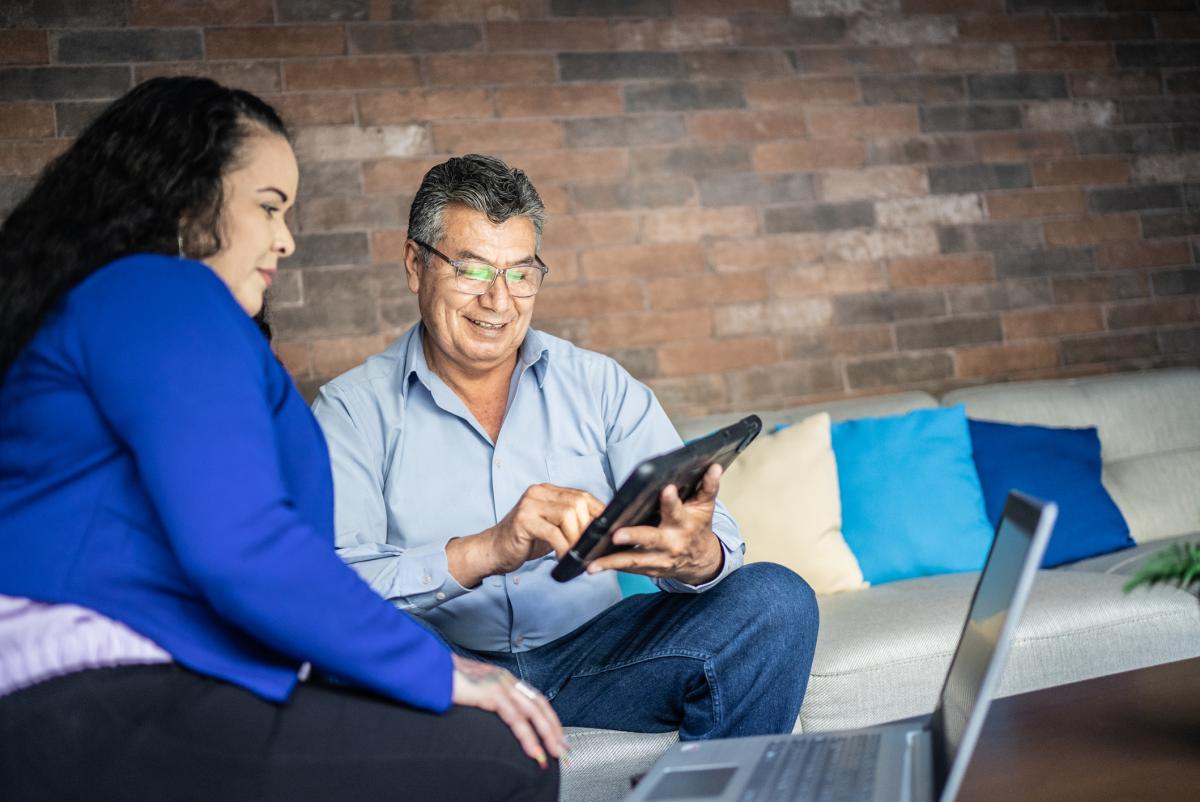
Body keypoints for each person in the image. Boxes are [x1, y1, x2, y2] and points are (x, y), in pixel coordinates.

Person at [0, 79, 563, 801]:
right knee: (508, 757)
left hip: (102, 688)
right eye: (268, 206)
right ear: (184, 196)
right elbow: (242, 543)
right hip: (90, 691)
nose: (287, 238)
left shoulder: (117, 302)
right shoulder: (162, 292)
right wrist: (438, 670)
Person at [312, 154, 819, 741]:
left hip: (598, 662)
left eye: (521, 272)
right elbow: (334, 593)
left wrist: (694, 554)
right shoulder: (350, 409)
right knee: (353, 636)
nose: (499, 302)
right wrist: (491, 549)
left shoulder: (599, 384)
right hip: (448, 667)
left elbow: (717, 543)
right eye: (473, 271)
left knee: (777, 600)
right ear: (414, 265)